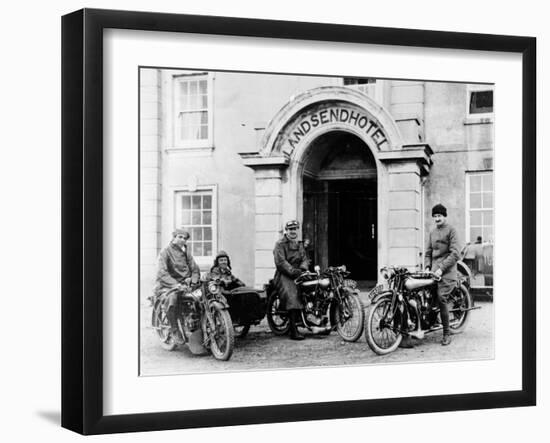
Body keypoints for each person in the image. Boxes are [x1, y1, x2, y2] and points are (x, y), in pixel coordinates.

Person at [154, 228, 200, 344]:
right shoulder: (165, 252)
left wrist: (193, 282)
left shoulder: (186, 253)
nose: (182, 240)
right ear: (173, 237)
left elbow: (195, 269)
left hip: (185, 285)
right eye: (180, 237)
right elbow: (162, 273)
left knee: (203, 295)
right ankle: (174, 329)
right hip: (167, 285)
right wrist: (176, 284)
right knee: (172, 299)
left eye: (184, 238)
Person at [424, 203, 461, 346]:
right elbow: (428, 253)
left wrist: (441, 269)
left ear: (445, 216)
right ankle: (430, 322)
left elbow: (455, 254)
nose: (437, 218)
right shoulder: (432, 233)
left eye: (439, 216)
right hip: (433, 272)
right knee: (425, 295)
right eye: (435, 216)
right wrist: (427, 267)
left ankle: (446, 333)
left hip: (447, 272)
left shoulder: (451, 230)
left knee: (441, 297)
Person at [273, 220, 311, 340]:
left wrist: (303, 268)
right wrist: (293, 272)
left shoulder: (299, 244)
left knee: (314, 288)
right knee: (292, 294)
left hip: (299, 272)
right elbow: (281, 262)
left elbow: (305, 258)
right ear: (286, 231)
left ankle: (315, 319)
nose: (293, 231)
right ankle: (293, 330)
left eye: (295, 229)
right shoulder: (280, 244)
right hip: (284, 274)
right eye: (290, 229)